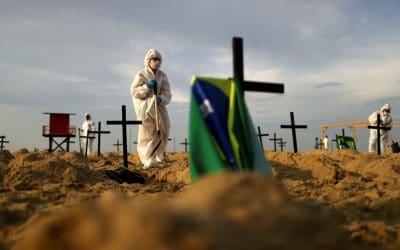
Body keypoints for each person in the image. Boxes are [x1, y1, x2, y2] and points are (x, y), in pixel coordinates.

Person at [130, 49, 172, 169]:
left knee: (164, 128)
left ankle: (158, 156)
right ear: (148, 61)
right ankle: (147, 158)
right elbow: (134, 91)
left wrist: (161, 98)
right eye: (155, 59)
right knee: (148, 133)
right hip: (145, 108)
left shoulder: (162, 76)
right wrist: (146, 87)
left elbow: (167, 93)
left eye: (159, 59)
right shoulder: (141, 74)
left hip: (158, 107)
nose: (157, 62)